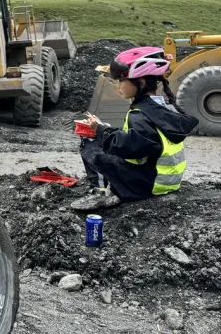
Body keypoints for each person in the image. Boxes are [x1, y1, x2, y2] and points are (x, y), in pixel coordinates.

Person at [71, 47, 199, 213]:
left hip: (147, 184)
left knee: (90, 143)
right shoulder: (164, 107)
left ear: (141, 82)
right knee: (106, 138)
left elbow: (130, 148)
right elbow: (145, 140)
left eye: (121, 80)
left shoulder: (139, 115)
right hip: (167, 181)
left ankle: (103, 192)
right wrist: (108, 130)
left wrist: (100, 131)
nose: (118, 86)